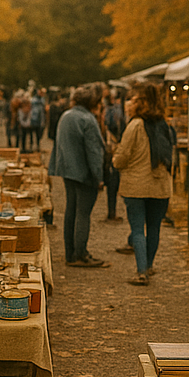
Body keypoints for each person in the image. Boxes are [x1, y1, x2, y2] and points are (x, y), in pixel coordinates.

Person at [111, 82, 174, 286]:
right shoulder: (164, 124)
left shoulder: (135, 125)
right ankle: (148, 266)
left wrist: (115, 160)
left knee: (138, 229)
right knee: (154, 228)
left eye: (133, 99)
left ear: (141, 102)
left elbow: (122, 157)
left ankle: (141, 272)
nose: (129, 103)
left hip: (136, 186)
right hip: (160, 186)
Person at [52, 83, 108, 267]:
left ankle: (71, 253)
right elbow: (94, 152)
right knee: (83, 213)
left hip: (68, 170)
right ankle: (81, 254)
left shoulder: (66, 116)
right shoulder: (88, 119)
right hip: (83, 173)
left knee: (71, 211)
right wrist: (99, 176)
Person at [103, 88, 126, 221]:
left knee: (112, 182)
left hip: (112, 148)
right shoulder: (114, 111)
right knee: (112, 181)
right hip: (112, 148)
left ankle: (112, 211)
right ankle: (112, 211)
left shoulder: (111, 110)